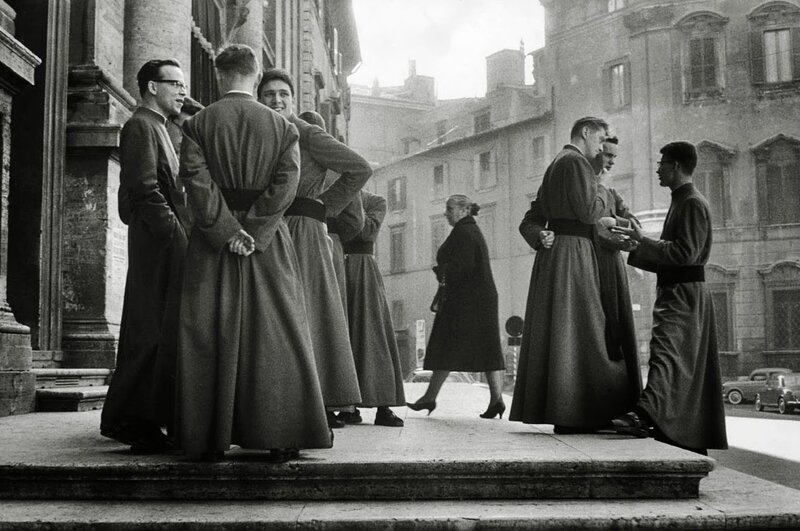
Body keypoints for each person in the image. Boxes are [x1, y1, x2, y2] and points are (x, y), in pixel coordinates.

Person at [177, 44, 331, 461]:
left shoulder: (196, 125)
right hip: (268, 242)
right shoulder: (285, 129)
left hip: (212, 241)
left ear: (217, 73)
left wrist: (227, 231)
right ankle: (281, 434)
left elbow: (196, 181)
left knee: (206, 332)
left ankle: (207, 436)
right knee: (277, 332)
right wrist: (255, 231)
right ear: (256, 74)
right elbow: (286, 187)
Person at [510, 117, 635, 434]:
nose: (601, 145)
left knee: (564, 334)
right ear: (586, 133)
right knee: (584, 331)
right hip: (575, 254)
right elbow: (589, 213)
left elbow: (531, 219)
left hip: (556, 255)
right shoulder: (577, 163)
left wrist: (540, 236)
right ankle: (579, 413)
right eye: (600, 138)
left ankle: (567, 411)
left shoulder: (556, 164)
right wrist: (603, 188)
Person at [258, 70, 367, 429]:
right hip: (268, 226)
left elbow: (358, 168)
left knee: (309, 312)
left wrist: (322, 207)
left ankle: (318, 400)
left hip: (302, 229)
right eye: (269, 94)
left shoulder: (309, 134)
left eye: (283, 94)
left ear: (293, 99)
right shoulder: (262, 132)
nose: (276, 101)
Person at [610, 141, 728, 455]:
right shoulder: (684, 200)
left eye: (662, 163)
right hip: (681, 292)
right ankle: (665, 425)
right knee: (676, 360)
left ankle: (645, 414)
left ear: (675, 166)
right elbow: (676, 254)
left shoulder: (689, 202)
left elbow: (685, 253)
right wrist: (636, 247)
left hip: (683, 295)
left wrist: (642, 243)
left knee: (667, 353)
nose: (658, 168)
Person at [100, 59, 190, 453]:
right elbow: (143, 189)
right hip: (158, 243)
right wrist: (174, 234)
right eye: (176, 84)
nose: (183, 92)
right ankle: (129, 420)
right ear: (152, 87)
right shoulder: (140, 125)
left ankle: (146, 419)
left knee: (156, 330)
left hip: (160, 241)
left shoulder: (161, 127)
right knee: (146, 330)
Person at [407, 195, 506, 418]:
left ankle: (430, 397)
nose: (446, 213)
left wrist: (442, 270)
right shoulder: (470, 230)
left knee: (446, 346)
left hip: (466, 301)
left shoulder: (463, 231)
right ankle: (496, 400)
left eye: (450, 209)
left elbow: (463, 266)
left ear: (464, 210)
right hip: (477, 300)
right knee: (486, 349)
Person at [338, 190, 406, 427]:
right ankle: (349, 405)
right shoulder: (337, 195)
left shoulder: (376, 201)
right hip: (337, 263)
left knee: (372, 336)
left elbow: (365, 231)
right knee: (343, 336)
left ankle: (382, 404)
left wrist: (351, 194)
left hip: (363, 268)